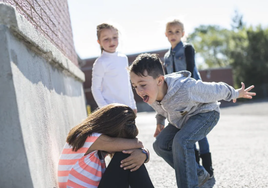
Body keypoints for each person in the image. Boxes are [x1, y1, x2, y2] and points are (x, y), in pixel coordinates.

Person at [129, 53, 256, 188]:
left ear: (160, 81)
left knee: (181, 141)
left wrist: (236, 93)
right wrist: (160, 122)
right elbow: (160, 109)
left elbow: (215, 89)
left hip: (206, 114)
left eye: (142, 84)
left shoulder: (186, 88)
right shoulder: (150, 93)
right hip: (182, 119)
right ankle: (197, 173)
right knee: (160, 145)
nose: (139, 90)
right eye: (134, 86)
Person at [58, 103, 154, 188]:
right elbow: (138, 144)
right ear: (112, 129)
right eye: (119, 139)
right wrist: (142, 152)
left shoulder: (92, 140)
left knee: (130, 157)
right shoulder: (91, 138)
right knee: (125, 155)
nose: (119, 143)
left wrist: (144, 153)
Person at [163, 19, 213, 177]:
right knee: (186, 132)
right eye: (170, 31)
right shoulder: (165, 57)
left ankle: (208, 168)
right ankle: (197, 169)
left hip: (194, 95)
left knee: (200, 133)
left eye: (177, 31)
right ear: (166, 34)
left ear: (183, 34)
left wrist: (197, 95)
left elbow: (191, 71)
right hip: (178, 100)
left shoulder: (187, 49)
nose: (173, 34)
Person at [91, 23, 137, 113]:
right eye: (106, 39)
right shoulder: (100, 62)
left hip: (127, 108)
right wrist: (105, 109)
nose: (111, 42)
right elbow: (95, 89)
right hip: (112, 111)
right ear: (99, 42)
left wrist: (133, 105)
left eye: (114, 37)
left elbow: (127, 84)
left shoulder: (124, 58)